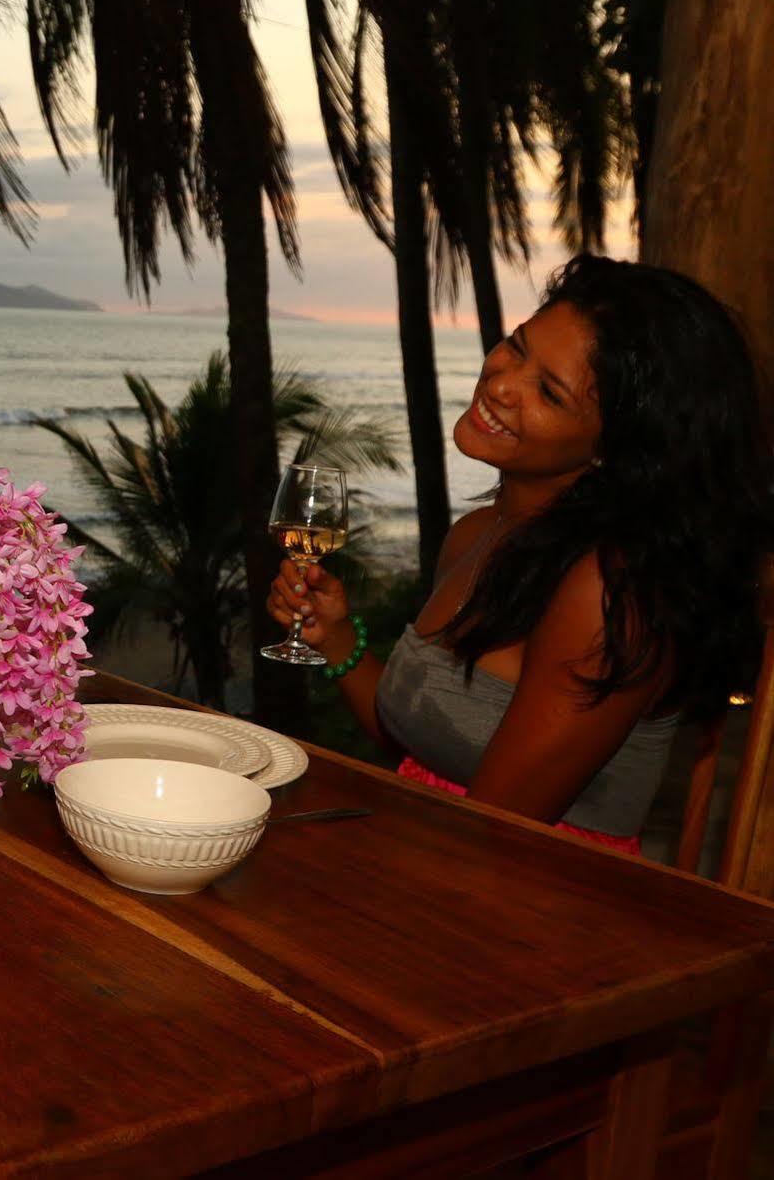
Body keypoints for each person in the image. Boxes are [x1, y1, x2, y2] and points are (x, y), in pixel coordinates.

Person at [267, 256, 772, 853]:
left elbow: (495, 832)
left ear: (615, 447)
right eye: (517, 346)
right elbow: (427, 750)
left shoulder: (611, 592)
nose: (501, 382)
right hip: (433, 853)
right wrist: (337, 640)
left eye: (549, 392)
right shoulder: (479, 531)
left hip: (537, 907)